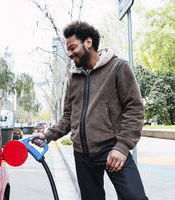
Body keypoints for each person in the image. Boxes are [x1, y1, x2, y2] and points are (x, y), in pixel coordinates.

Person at [31, 21, 148, 200]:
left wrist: (122, 146)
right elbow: (69, 117)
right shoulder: (73, 78)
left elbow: (135, 109)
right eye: (68, 50)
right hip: (82, 154)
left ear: (88, 42)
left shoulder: (118, 68)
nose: (69, 54)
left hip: (112, 147)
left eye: (72, 48)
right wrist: (48, 135)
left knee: (135, 197)